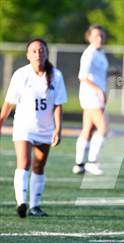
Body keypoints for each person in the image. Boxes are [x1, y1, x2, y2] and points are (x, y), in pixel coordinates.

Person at [0, 38, 67, 217]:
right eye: (34, 51)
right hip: (24, 127)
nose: (38, 54)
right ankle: (21, 203)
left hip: (45, 128)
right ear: (28, 55)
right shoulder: (21, 75)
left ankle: (34, 206)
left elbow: (58, 104)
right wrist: (1, 121)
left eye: (41, 50)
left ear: (46, 53)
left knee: (39, 166)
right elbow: (9, 103)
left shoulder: (56, 75)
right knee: (24, 162)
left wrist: (58, 129)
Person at [72, 24, 109, 176]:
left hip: (94, 97)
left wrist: (112, 73)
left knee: (87, 130)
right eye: (95, 36)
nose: (99, 38)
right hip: (91, 97)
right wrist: (98, 90)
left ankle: (79, 164)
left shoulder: (100, 53)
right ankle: (92, 162)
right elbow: (83, 77)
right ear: (89, 38)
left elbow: (98, 74)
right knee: (103, 128)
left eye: (101, 35)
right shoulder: (89, 53)